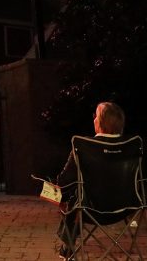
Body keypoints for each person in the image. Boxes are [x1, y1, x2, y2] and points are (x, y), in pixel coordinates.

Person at [54, 101, 126, 258]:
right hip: (126, 207)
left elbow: (64, 182)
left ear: (100, 122)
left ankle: (68, 244)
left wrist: (55, 194)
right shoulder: (131, 146)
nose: (93, 119)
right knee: (76, 195)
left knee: (68, 196)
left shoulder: (83, 145)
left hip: (91, 209)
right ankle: (68, 244)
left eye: (95, 116)